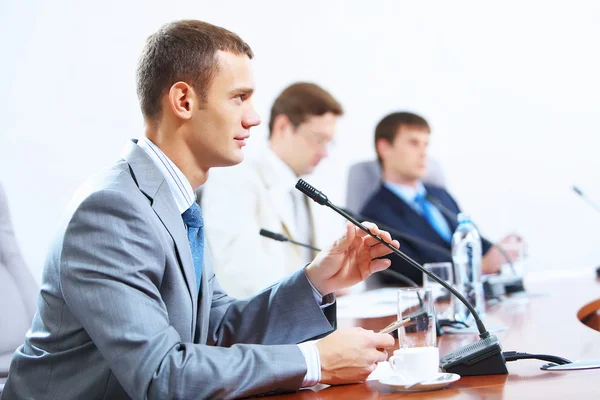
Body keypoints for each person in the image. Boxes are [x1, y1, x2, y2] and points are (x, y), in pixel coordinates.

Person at [1, 20, 399, 400]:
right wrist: (315, 361)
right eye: (239, 97)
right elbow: (161, 374)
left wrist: (315, 282)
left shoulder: (177, 201)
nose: (254, 117)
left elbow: (215, 328)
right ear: (184, 101)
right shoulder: (110, 212)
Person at [201, 82, 345, 297]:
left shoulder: (313, 188)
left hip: (314, 317)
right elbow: (241, 279)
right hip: (264, 322)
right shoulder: (234, 178)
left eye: (329, 142)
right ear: (282, 127)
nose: (325, 153)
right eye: (318, 140)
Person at [360, 111, 523, 286]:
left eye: (426, 144)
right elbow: (412, 270)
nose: (423, 153)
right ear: (384, 147)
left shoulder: (440, 195)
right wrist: (478, 267)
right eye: (413, 143)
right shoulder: (373, 215)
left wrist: (501, 251)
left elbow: (470, 240)